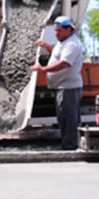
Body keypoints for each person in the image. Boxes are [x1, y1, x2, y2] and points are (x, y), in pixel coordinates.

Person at [33, 16, 84, 150]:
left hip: (68, 87)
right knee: (63, 117)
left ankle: (70, 146)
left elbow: (64, 63)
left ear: (69, 30)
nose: (56, 33)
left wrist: (43, 69)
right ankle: (68, 143)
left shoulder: (72, 44)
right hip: (61, 86)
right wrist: (46, 46)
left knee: (69, 118)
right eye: (55, 31)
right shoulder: (63, 42)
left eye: (59, 31)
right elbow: (57, 54)